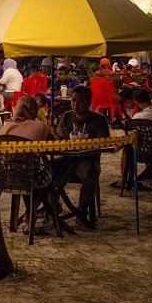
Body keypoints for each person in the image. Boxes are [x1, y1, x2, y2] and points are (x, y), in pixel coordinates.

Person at [54, 85, 109, 228]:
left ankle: (81, 211)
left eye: (80, 101)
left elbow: (105, 144)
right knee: (48, 168)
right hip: (67, 159)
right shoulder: (67, 117)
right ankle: (53, 206)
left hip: (87, 160)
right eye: (73, 100)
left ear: (89, 102)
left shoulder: (99, 120)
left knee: (92, 170)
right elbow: (59, 141)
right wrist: (58, 136)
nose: (75, 104)